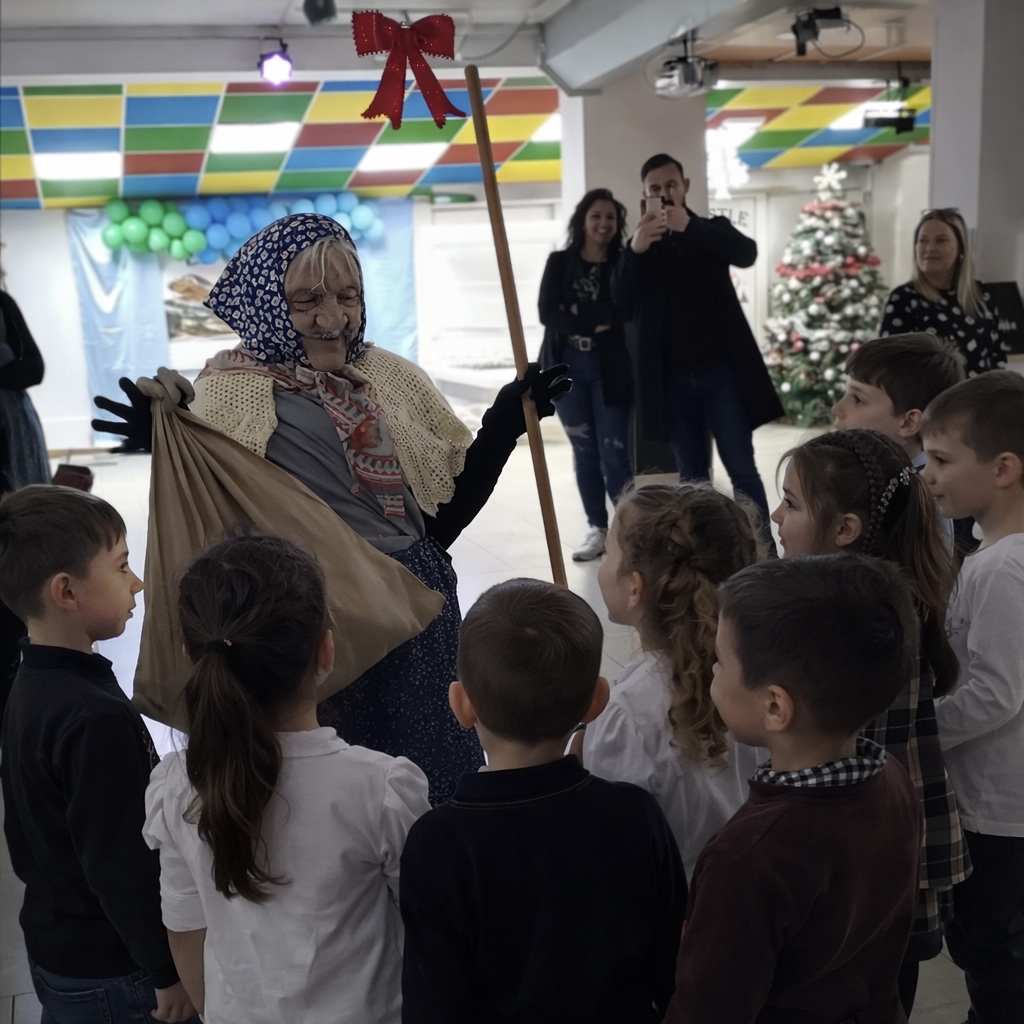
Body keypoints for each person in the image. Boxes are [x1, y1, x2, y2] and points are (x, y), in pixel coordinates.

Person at [92, 213, 569, 805]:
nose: (332, 318)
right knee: (340, 790)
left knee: (437, 776)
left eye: (348, 296)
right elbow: (211, 507)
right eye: (306, 300)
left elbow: (436, 522)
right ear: (266, 302)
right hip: (316, 621)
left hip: (417, 608)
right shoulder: (226, 390)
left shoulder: (389, 377)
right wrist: (168, 436)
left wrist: (500, 428)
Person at [143, 535, 430, 1024]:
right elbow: (426, 927)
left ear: (193, 654)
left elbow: (185, 930)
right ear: (326, 651)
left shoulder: (176, 787)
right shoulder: (380, 789)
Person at [399, 578, 686, 1024]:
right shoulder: (635, 814)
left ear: (462, 704)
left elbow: (434, 1002)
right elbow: (671, 965)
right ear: (597, 701)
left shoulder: (437, 843)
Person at [664, 555, 922, 1024]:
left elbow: (707, 1010)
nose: (713, 671)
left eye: (721, 662)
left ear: (775, 706)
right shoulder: (894, 779)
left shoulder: (748, 856)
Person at [772, 428, 967, 1016]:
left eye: (794, 504)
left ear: (847, 530)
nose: (776, 516)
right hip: (880, 847)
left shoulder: (858, 621)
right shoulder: (870, 596)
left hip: (869, 859)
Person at [0, 485, 195, 1023]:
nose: (136, 583)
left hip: (58, 947)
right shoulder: (93, 719)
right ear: (66, 591)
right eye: (122, 566)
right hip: (116, 971)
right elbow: (121, 866)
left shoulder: (33, 681)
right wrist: (167, 971)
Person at [582, 482, 762, 878]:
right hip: (750, 895)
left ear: (634, 588)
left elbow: (615, 854)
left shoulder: (625, 717)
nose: (603, 563)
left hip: (672, 917)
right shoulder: (763, 676)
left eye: (609, 552)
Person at [919, 371, 1024, 1024]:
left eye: (942, 460)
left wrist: (911, 732)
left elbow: (995, 694)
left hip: (999, 814)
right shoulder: (997, 558)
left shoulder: (1001, 569)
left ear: (1005, 467)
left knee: (994, 960)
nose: (928, 475)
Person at [611, 153, 782, 540]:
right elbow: (618, 295)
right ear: (645, 194)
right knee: (691, 478)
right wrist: (636, 247)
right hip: (669, 382)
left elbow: (747, 253)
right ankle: (708, 553)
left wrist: (690, 227)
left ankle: (765, 551)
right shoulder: (639, 246)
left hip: (721, 374)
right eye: (656, 189)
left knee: (741, 467)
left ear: (685, 186)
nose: (665, 194)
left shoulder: (708, 229)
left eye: (671, 185)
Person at [538, 188, 633, 561]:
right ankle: (598, 528)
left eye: (610, 217)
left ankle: (630, 532)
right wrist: (596, 316)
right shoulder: (560, 262)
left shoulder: (622, 263)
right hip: (569, 367)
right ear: (583, 220)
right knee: (585, 451)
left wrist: (577, 310)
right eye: (597, 216)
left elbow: (623, 310)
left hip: (610, 368)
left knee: (615, 453)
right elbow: (549, 312)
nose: (604, 223)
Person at [832, 331, 966, 553]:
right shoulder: (865, 472)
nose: (837, 408)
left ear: (908, 422)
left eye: (858, 399)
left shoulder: (919, 499)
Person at [879, 208, 1008, 377]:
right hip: (929, 402)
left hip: (979, 400)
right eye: (923, 240)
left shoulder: (983, 295)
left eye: (941, 240)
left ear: (961, 248)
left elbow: (996, 357)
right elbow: (889, 366)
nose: (929, 248)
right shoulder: (904, 299)